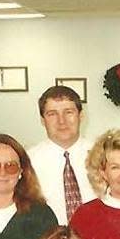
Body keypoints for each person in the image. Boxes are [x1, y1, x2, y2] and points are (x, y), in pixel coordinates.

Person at [27, 86, 97, 224]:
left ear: (81, 115)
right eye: (52, 114)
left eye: (68, 112)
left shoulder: (102, 155)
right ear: (42, 120)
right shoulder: (28, 162)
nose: (61, 121)